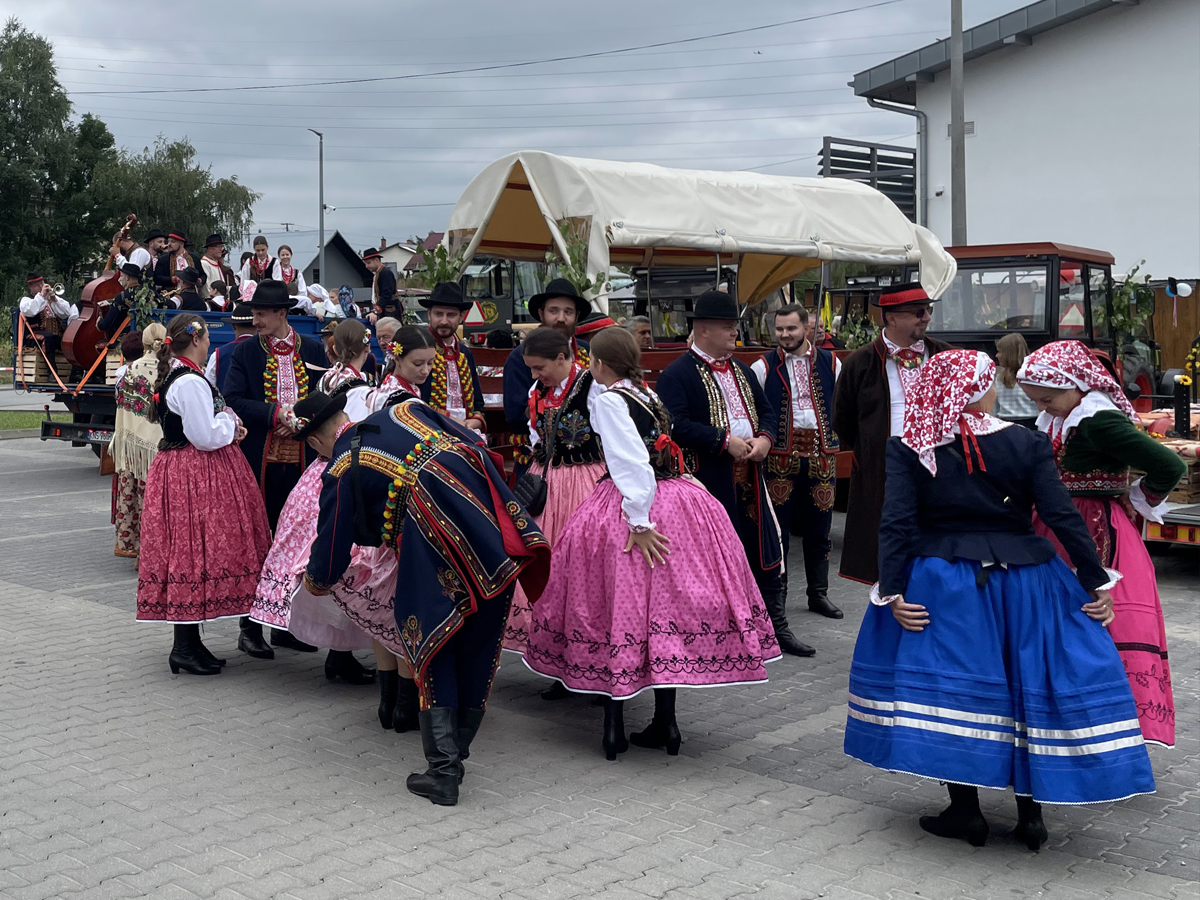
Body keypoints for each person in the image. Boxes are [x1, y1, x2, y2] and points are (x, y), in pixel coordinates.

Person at [844, 349, 1155, 850]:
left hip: (945, 583)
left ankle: (966, 812)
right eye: (990, 383)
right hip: (1027, 580)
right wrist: (1094, 579)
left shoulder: (911, 445)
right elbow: (1060, 515)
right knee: (1025, 683)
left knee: (957, 691)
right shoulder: (1027, 441)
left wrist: (893, 590)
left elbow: (897, 523)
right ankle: (1031, 816)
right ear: (978, 390)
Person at [525, 328, 779, 759]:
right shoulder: (647, 393)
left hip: (632, 509)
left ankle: (613, 728)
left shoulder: (610, 400)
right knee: (662, 610)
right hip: (677, 500)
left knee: (613, 607)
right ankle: (667, 723)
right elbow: (662, 450)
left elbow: (630, 462)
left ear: (599, 364)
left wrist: (639, 521)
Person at [304, 379, 550, 807]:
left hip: (435, 553)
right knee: (479, 647)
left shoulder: (341, 466)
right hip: (494, 534)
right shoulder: (408, 410)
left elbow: (330, 551)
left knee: (436, 648)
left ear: (315, 442)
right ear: (346, 416)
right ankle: (456, 754)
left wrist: (315, 583)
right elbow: (477, 444)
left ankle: (444, 773)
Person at [1017, 340, 1186, 748]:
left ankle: (1104, 721)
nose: (1042, 407)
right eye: (1036, 400)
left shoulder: (1097, 421)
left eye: (1047, 398)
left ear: (1075, 385)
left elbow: (1170, 465)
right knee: (1059, 620)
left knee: (1096, 615)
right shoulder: (1063, 416)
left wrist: (1138, 496)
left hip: (1094, 529)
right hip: (1059, 523)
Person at [656, 290, 806, 658]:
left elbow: (767, 411)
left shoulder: (742, 369)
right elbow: (674, 425)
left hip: (752, 477)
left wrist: (766, 439)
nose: (734, 333)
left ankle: (774, 628)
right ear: (703, 330)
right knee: (716, 557)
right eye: (727, 327)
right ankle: (722, 636)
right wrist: (724, 441)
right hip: (709, 480)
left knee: (764, 548)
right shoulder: (677, 374)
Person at [136, 314, 273, 676]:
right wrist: (231, 423)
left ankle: (191, 643)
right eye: (208, 335)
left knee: (191, 552)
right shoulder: (189, 381)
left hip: (185, 470)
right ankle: (183, 646)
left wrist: (225, 420)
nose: (211, 341)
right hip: (193, 473)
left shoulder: (181, 374)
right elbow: (204, 436)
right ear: (195, 339)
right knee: (192, 552)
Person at [249, 321, 378, 686]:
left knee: (320, 557)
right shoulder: (359, 390)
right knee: (343, 560)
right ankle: (339, 654)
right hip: (337, 478)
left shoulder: (328, 380)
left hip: (319, 478)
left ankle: (339, 654)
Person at [333, 325, 439, 733]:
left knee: (382, 603)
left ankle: (390, 701)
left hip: (380, 505)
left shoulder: (377, 391)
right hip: (403, 505)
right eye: (418, 363)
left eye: (429, 363)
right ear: (397, 358)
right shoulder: (403, 402)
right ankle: (405, 703)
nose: (425, 370)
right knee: (402, 605)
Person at [223, 280, 329, 659]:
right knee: (259, 543)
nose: (255, 320)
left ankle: (288, 625)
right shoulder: (246, 351)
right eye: (254, 314)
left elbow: (326, 397)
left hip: (303, 462)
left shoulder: (312, 349)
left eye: (261, 314)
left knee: (298, 544)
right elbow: (233, 398)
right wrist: (275, 414)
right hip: (261, 464)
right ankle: (250, 628)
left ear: (282, 313)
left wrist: (300, 418)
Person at [832, 282, 953, 586]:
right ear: (891, 317)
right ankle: (890, 597)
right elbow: (842, 420)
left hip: (942, 464)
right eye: (918, 312)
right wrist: (871, 450)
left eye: (928, 310)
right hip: (884, 469)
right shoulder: (860, 362)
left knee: (940, 541)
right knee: (888, 544)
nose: (927, 317)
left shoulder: (945, 355)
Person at [502, 326, 608, 661]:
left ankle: (588, 652)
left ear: (562, 358)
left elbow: (611, 435)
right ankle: (555, 655)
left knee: (583, 567)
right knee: (545, 567)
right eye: (532, 368)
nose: (535, 375)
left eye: (539, 367)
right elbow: (536, 437)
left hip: (586, 482)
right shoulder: (538, 390)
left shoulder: (593, 386)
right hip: (546, 484)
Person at [751, 305, 843, 622]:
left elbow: (843, 403)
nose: (785, 334)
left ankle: (818, 593)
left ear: (806, 328)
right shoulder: (763, 366)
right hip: (779, 458)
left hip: (821, 455)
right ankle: (778, 597)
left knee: (820, 529)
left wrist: (838, 435)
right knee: (779, 530)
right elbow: (754, 409)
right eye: (779, 329)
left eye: (791, 328)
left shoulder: (832, 362)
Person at [503, 278, 591, 479]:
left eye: (568, 312)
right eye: (554, 311)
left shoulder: (587, 351)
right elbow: (516, 415)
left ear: (576, 316)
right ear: (541, 313)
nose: (561, 318)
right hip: (538, 458)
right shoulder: (519, 357)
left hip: (586, 457)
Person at [111, 325, 166, 558]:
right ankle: (153, 552)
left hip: (133, 448)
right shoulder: (169, 368)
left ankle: (130, 545)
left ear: (144, 343)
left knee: (132, 495)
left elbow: (121, 405)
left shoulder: (129, 371)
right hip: (161, 447)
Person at [419, 282, 486, 432]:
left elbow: (477, 403)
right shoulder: (417, 349)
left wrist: (475, 422)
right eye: (438, 314)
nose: (444, 321)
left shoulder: (465, 353)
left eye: (451, 315)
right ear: (429, 314)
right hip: (430, 429)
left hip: (467, 430)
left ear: (461, 317)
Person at [19, 275, 75, 361]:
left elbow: (66, 313)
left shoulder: (51, 298)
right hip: (34, 335)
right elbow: (31, 310)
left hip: (54, 335)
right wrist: (42, 295)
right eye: (37, 285)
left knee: (71, 338)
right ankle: (51, 368)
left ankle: (72, 367)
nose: (41, 287)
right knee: (48, 338)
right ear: (30, 287)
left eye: (42, 283)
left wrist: (54, 299)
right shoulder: (26, 300)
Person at [205, 303, 259, 391]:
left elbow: (208, 388)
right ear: (257, 326)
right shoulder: (267, 351)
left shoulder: (218, 355)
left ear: (233, 326)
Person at [99, 263, 157, 336]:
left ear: (127, 277)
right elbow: (169, 305)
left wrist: (99, 322)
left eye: (121, 276)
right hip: (149, 336)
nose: (120, 279)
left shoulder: (121, 297)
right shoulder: (152, 294)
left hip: (127, 337)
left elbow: (106, 324)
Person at [993, 332, 1040, 421]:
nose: (996, 355)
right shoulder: (1000, 377)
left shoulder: (1032, 376)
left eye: (1000, 352)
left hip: (1028, 420)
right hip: (1007, 420)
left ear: (1009, 354)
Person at [363, 248, 399, 323]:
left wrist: (376, 311)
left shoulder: (385, 273)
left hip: (389, 313)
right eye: (365, 263)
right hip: (384, 312)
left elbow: (387, 294)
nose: (366, 266)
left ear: (376, 260)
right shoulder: (378, 274)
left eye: (368, 263)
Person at [199, 234, 236, 302]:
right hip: (212, 301)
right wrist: (211, 299)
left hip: (220, 300)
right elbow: (206, 286)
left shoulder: (215, 262)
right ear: (210, 249)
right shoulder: (204, 263)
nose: (221, 249)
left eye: (222, 246)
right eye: (218, 246)